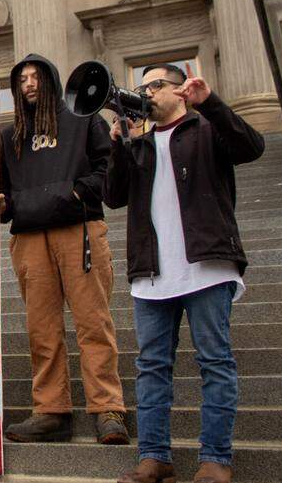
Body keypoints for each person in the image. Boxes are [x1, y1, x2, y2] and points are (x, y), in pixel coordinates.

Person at [105, 65, 263, 483]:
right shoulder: (138, 144)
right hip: (151, 274)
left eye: (156, 85)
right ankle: (155, 457)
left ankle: (216, 460)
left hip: (207, 267)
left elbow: (251, 147)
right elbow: (113, 197)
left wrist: (210, 102)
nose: (147, 93)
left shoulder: (207, 129)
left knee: (215, 362)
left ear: (181, 90)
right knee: (152, 366)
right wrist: (120, 145)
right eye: (143, 87)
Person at [0, 53, 128, 444]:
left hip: (80, 228)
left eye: (36, 77)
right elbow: (3, 190)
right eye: (21, 80)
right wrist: (2, 204)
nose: (29, 84)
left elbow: (106, 168)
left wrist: (75, 192)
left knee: (93, 322)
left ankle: (108, 408)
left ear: (52, 80)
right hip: (30, 237)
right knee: (42, 328)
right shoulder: (10, 136)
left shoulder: (83, 118)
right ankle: (51, 410)